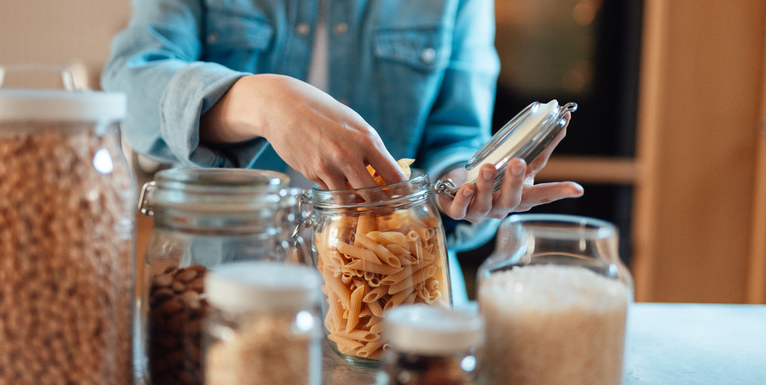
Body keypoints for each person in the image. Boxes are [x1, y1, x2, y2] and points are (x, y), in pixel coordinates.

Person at [101, 0, 583, 303]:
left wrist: (464, 187)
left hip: (400, 294)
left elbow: (454, 140)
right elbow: (129, 83)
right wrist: (262, 101)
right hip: (225, 286)